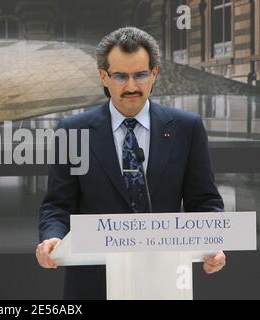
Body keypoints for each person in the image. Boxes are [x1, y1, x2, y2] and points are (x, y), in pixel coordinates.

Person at [36, 27, 226, 299]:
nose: (131, 87)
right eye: (120, 76)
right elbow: (57, 204)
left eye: (140, 75)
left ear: (154, 74)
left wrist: (213, 244)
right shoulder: (72, 130)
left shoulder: (187, 127)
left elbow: (205, 202)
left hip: (165, 279)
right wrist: (52, 237)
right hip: (92, 284)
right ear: (104, 76)